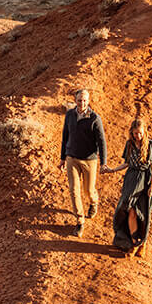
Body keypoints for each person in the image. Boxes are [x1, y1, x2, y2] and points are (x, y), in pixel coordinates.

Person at [105, 115, 152, 257]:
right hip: (131, 180)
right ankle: (133, 242)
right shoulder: (129, 144)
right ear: (132, 132)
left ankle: (143, 244)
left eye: (140, 133)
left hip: (145, 180)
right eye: (136, 133)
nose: (138, 136)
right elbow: (127, 163)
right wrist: (112, 170)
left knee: (143, 213)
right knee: (129, 210)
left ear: (144, 132)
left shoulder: (151, 145)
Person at [60, 88, 107, 234]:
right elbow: (65, 137)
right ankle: (80, 220)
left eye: (85, 100)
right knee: (74, 190)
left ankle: (94, 202)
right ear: (75, 100)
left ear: (89, 101)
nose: (82, 103)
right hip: (72, 158)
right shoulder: (69, 115)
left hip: (89, 160)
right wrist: (63, 158)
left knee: (88, 190)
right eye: (79, 100)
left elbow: (102, 141)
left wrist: (103, 162)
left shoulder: (94, 118)